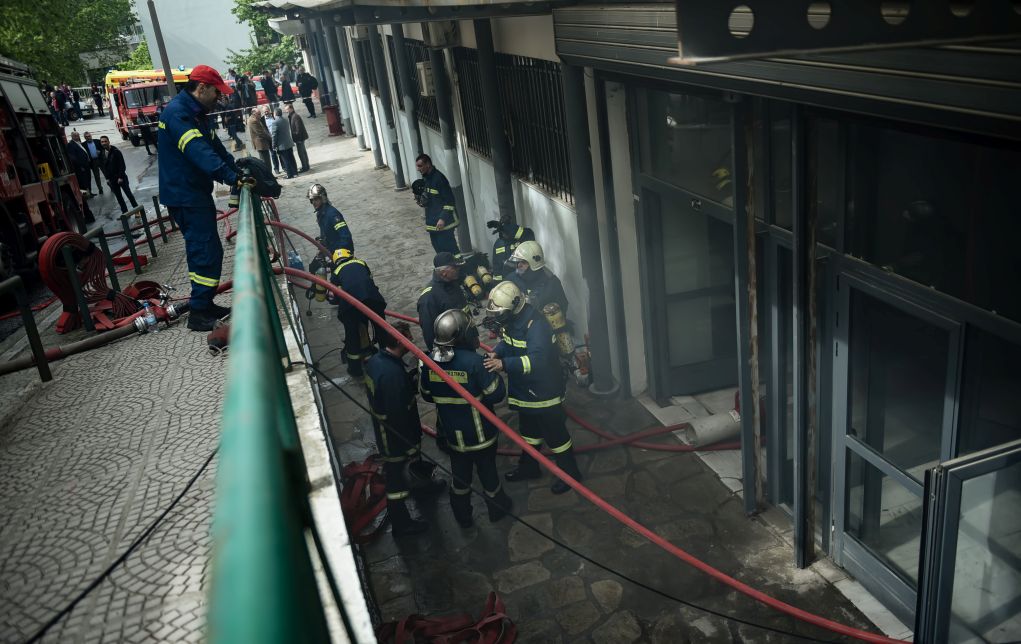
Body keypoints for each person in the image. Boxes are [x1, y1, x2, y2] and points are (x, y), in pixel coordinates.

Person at [156, 65, 244, 332]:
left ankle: (204, 304)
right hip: (185, 195)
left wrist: (236, 170)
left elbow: (214, 147)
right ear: (201, 88)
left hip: (192, 192)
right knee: (203, 250)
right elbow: (199, 153)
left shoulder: (196, 113)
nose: (220, 98)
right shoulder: (178, 115)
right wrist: (231, 179)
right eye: (217, 93)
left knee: (209, 249)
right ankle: (198, 312)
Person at [482, 281, 582, 495]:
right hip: (526, 390)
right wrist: (497, 352)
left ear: (515, 306)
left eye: (500, 312)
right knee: (528, 432)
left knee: (556, 436)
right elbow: (509, 341)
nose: (498, 317)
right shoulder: (514, 319)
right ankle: (529, 467)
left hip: (544, 392)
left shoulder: (536, 326)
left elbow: (539, 360)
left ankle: (571, 474)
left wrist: (504, 364)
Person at [419, 309, 512, 528]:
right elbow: (496, 394)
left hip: (452, 435)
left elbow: (427, 394)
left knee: (460, 475)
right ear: (461, 335)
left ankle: (462, 515)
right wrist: (492, 372)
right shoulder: (473, 362)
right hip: (480, 435)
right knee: (487, 470)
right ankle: (497, 508)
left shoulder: (429, 362)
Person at [365, 321, 445, 536]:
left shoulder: (378, 362)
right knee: (396, 479)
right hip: (395, 435)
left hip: (391, 427)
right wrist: (409, 444)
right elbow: (397, 413)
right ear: (400, 341)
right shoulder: (391, 374)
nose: (412, 342)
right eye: (409, 338)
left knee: (409, 464)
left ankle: (422, 487)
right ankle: (402, 524)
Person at [329, 249, 386, 378]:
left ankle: (355, 369)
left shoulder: (336, 273)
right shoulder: (361, 263)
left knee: (352, 335)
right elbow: (370, 282)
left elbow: (336, 297)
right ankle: (388, 358)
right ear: (351, 256)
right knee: (382, 329)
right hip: (373, 299)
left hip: (351, 305)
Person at [417, 252, 470, 351]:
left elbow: (465, 311)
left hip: (466, 342)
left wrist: (474, 336)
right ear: (443, 272)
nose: (458, 269)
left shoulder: (453, 283)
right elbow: (429, 333)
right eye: (454, 268)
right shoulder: (428, 298)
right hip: (451, 350)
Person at [507, 240, 569, 316]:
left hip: (543, 325)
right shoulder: (511, 279)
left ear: (534, 263)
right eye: (518, 261)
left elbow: (562, 307)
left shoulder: (551, 283)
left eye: (523, 262)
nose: (519, 265)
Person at [414, 154, 460, 254]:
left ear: (428, 164)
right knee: (438, 250)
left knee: (450, 249)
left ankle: (459, 266)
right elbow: (431, 199)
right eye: (417, 166)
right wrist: (421, 201)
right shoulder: (426, 179)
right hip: (432, 222)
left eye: (420, 166)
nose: (418, 169)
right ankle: (444, 268)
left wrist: (442, 218)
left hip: (444, 223)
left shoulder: (439, 179)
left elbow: (450, 201)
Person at [308, 183, 353, 262]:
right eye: (312, 200)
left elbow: (346, 237)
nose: (313, 203)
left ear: (323, 198)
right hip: (331, 251)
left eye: (316, 199)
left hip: (342, 254)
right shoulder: (320, 213)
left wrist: (336, 254)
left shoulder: (333, 215)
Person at [99, 135, 138, 214]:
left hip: (121, 177)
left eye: (105, 141)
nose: (104, 143)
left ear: (109, 142)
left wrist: (120, 177)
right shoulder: (102, 153)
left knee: (129, 194)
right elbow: (104, 167)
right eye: (102, 142)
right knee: (119, 197)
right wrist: (107, 178)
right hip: (112, 179)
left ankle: (137, 211)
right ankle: (125, 213)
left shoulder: (116, 151)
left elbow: (122, 165)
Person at [268, 107, 297, 179]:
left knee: (285, 160)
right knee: (291, 158)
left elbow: (274, 135)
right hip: (288, 142)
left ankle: (289, 174)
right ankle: (295, 172)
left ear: (275, 114)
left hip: (282, 145)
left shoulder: (275, 122)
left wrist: (273, 145)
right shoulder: (285, 119)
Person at [286, 103, 310, 173]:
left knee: (301, 153)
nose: (286, 111)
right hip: (299, 137)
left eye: (287, 109)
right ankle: (306, 165)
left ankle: (305, 167)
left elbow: (298, 129)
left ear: (291, 109)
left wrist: (298, 139)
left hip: (299, 138)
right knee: (303, 152)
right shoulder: (292, 116)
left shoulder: (295, 116)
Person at [262, 105, 281, 174]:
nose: (266, 113)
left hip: (277, 137)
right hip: (269, 139)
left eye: (267, 111)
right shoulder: (262, 120)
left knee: (280, 153)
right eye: (264, 112)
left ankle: (284, 167)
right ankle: (276, 169)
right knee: (273, 154)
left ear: (269, 110)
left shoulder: (274, 116)